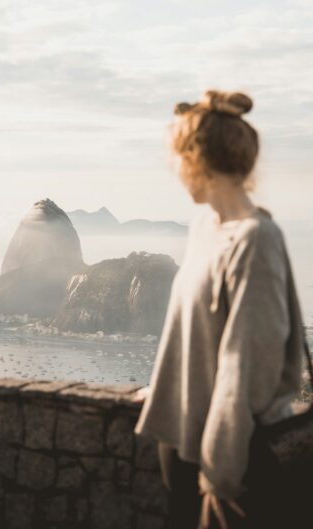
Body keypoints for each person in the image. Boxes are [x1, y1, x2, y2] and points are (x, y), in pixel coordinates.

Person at [133, 90, 306, 529]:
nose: (175, 171)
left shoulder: (255, 240)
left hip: (231, 462)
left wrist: (221, 475)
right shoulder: (204, 229)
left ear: (197, 160)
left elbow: (244, 367)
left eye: (177, 159)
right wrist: (169, 388)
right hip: (183, 439)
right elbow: (190, 331)